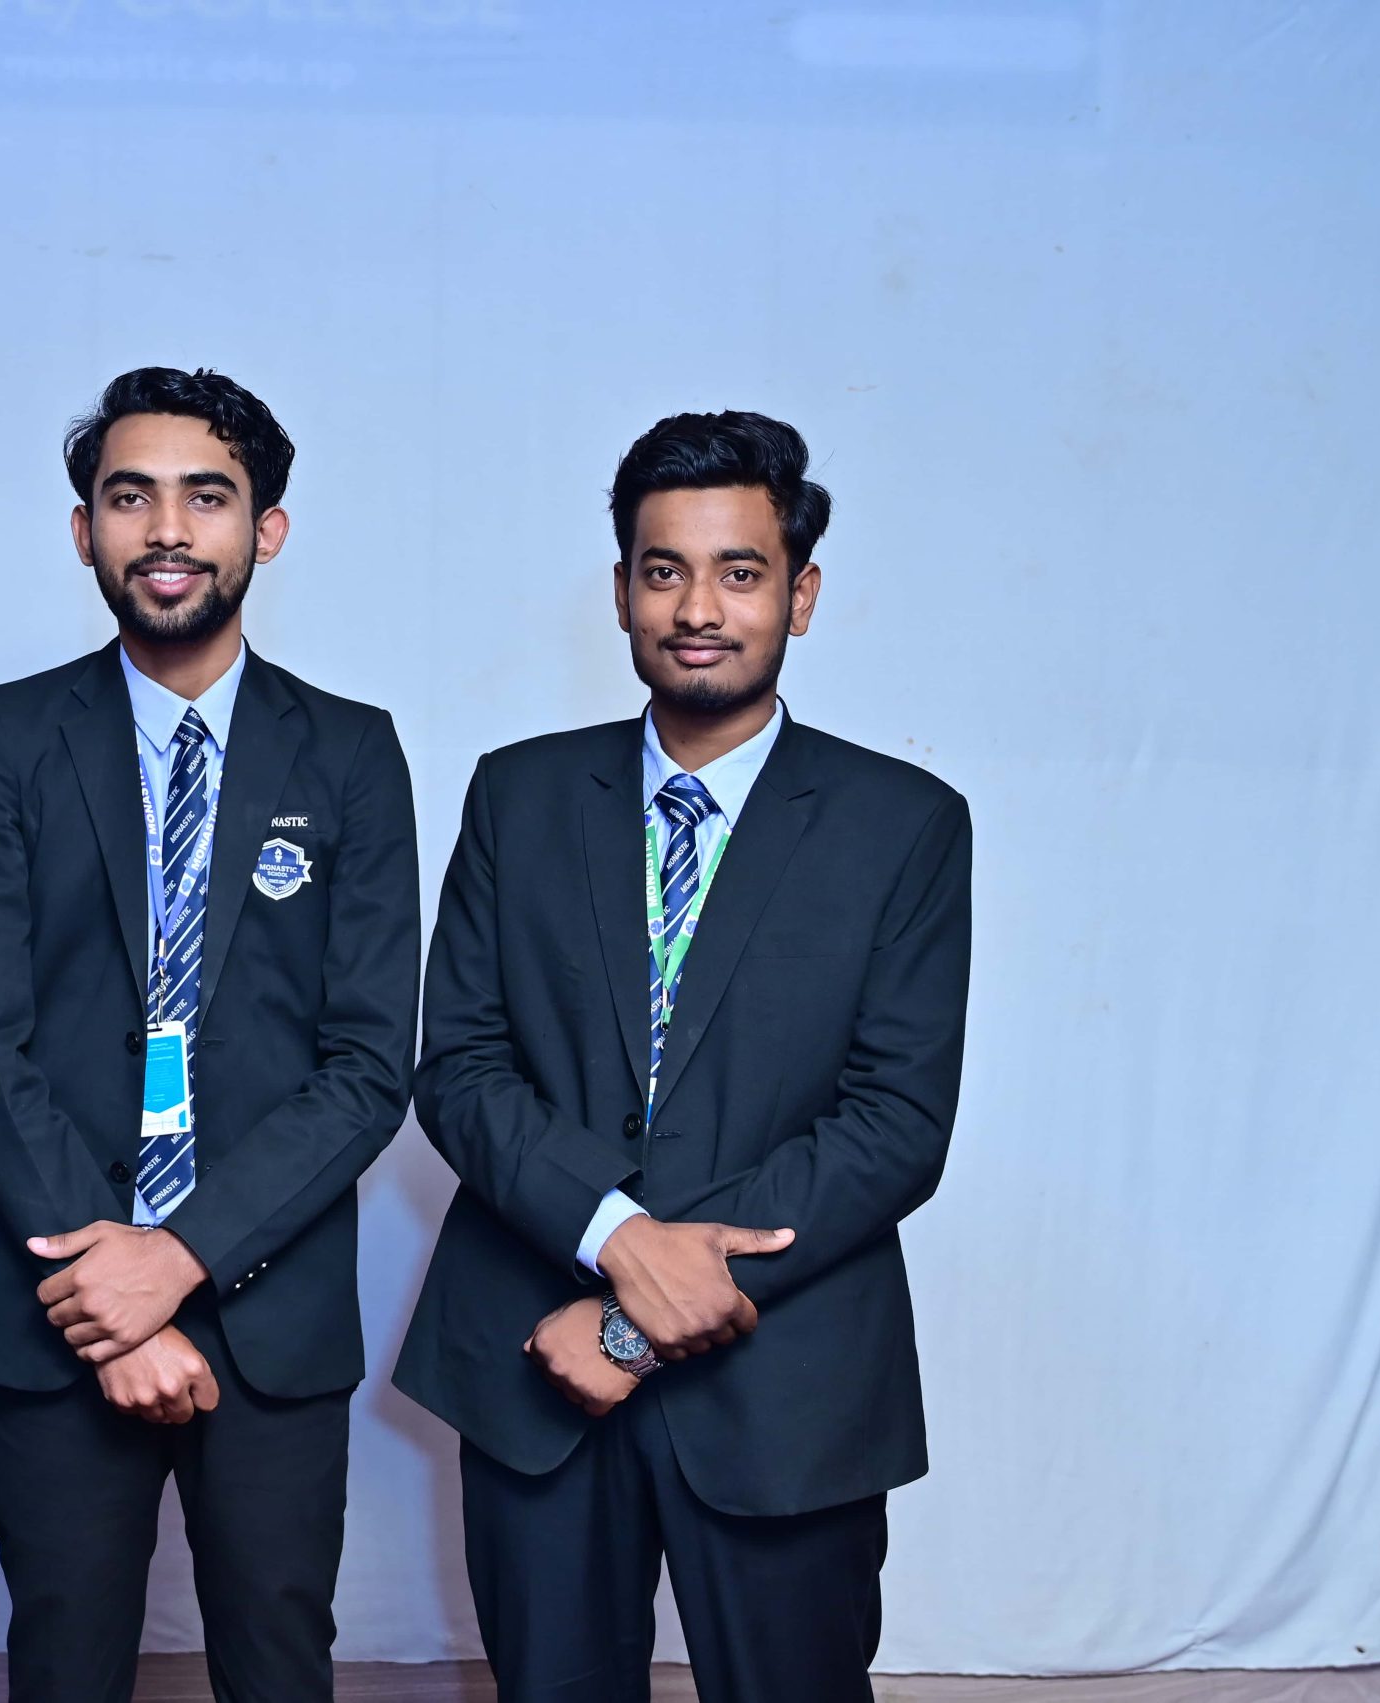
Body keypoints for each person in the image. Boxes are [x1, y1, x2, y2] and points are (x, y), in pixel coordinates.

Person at [393, 411, 973, 1701]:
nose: (697, 608)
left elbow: (893, 1121)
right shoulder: (518, 795)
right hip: (534, 1365)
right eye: (664, 571)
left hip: (786, 1384)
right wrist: (616, 1235)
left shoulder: (905, 825)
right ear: (621, 592)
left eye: (739, 571)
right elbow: (462, 1066)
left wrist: (633, 1319)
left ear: (800, 595)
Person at [0, 367, 420, 1702]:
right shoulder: (5, 736)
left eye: (207, 496)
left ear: (267, 527)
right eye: (128, 496)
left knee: (278, 1661)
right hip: (60, 1301)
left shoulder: (352, 752)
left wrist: (183, 1254)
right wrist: (111, 1287)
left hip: (271, 1305)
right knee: (64, 1661)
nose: (165, 529)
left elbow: (368, 1062)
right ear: (82, 527)